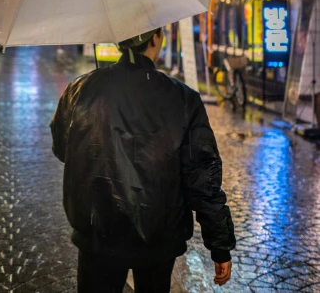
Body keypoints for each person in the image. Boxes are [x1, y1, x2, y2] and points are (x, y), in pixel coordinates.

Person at [50, 28, 235, 293]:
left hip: (98, 233)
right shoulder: (183, 98)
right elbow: (203, 178)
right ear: (156, 37)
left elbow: (62, 150)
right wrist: (220, 244)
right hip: (159, 239)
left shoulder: (80, 89)